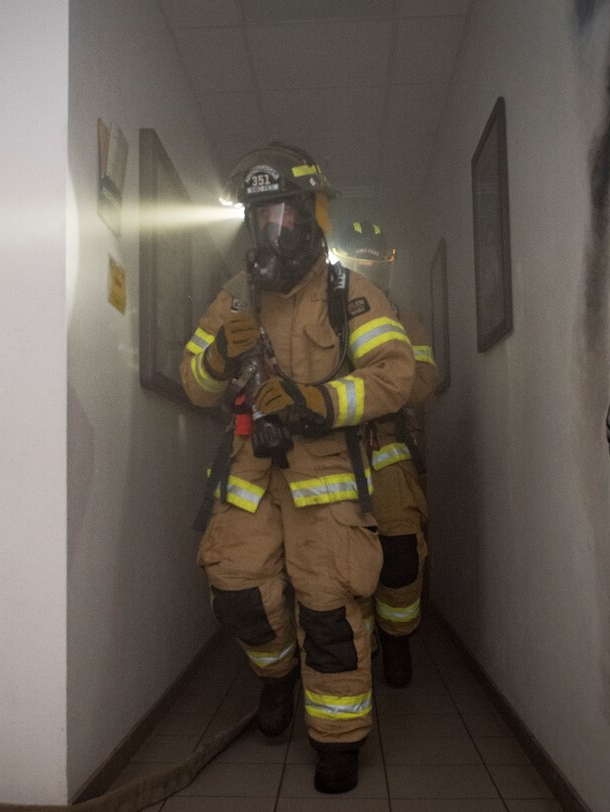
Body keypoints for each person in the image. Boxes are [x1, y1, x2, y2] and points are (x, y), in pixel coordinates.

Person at [180, 144, 414, 794]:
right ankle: (278, 679)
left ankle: (338, 740)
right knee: (233, 587)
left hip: (327, 475)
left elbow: (395, 376)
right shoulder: (234, 297)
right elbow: (193, 382)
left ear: (312, 217)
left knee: (329, 609)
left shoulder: (347, 295)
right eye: (260, 218)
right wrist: (218, 362)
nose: (270, 232)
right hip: (252, 473)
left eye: (282, 215)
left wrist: (320, 402)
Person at [331, 220, 438, 688]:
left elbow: (421, 385)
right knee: (344, 563)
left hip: (390, 456)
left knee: (399, 557)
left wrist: (373, 379)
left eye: (377, 259)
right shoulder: (324, 323)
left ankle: (397, 638)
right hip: (332, 461)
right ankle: (365, 646)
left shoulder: (406, 321)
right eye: (359, 259)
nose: (368, 268)